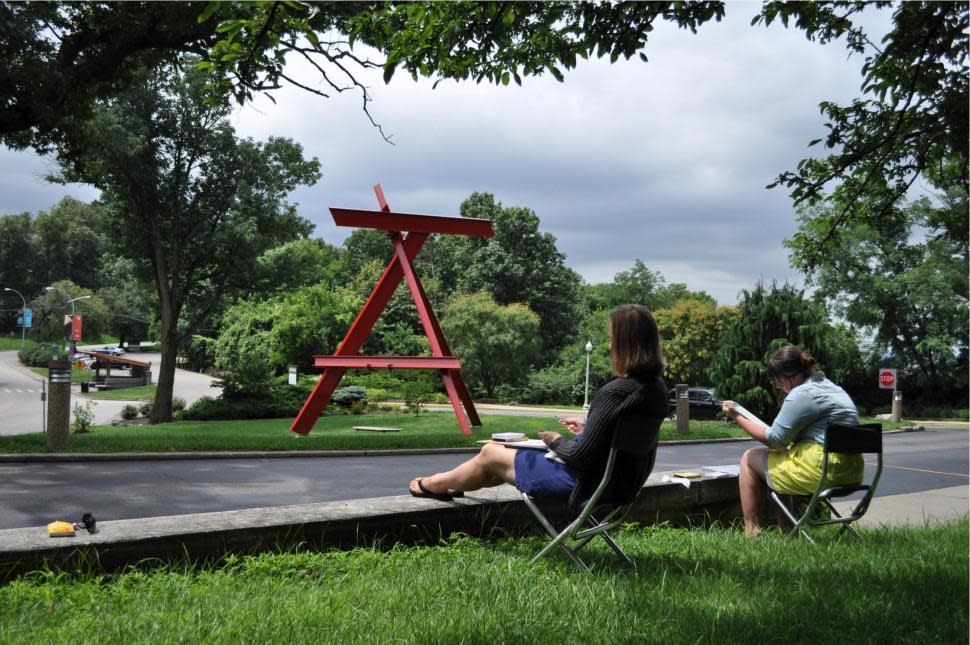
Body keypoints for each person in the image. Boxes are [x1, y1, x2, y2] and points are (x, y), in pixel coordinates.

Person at [409, 304, 669, 506]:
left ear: (625, 345)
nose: (610, 347)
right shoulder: (656, 390)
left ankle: (433, 483)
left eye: (613, 339)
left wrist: (554, 440)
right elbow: (618, 439)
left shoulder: (617, 391)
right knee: (495, 459)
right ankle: (446, 484)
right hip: (620, 486)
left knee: (490, 452)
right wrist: (590, 428)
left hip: (585, 484)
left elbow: (581, 457)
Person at [721, 345, 861, 537]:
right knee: (780, 460)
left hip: (823, 471)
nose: (779, 386)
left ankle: (752, 530)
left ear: (792, 377)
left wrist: (736, 416)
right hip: (852, 472)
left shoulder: (801, 394)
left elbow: (775, 440)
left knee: (749, 458)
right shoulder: (832, 388)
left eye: (779, 381)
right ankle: (787, 529)